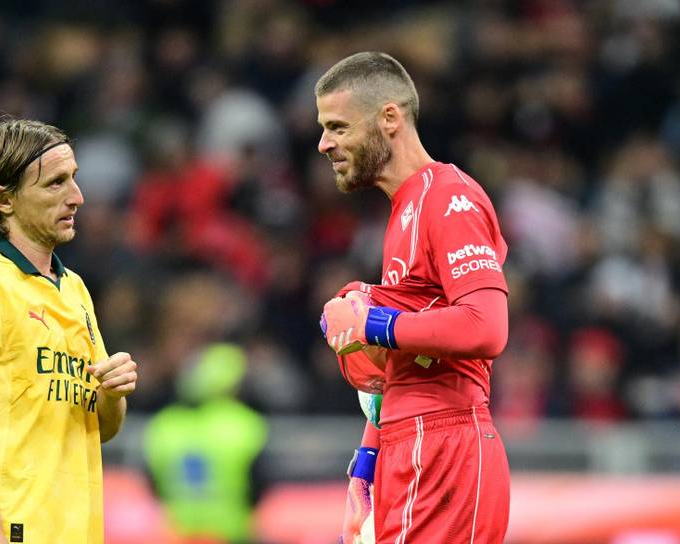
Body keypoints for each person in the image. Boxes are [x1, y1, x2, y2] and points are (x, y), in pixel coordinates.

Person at [316, 52, 511, 543]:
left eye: (338, 126)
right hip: (412, 444)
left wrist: (372, 323)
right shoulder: (405, 210)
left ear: (389, 118)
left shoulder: (449, 197)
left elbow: (485, 327)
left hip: (446, 446)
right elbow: (401, 368)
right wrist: (366, 464)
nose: (324, 144)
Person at [0, 118, 138, 544]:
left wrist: (112, 393)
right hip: (10, 534)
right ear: (4, 200)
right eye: (55, 184)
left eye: (74, 180)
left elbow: (101, 428)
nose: (77, 197)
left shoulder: (75, 290)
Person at [143, 342, 268, 543]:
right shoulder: (245, 425)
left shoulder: (164, 425)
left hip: (178, 533)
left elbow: (152, 484)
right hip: (231, 533)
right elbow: (260, 484)